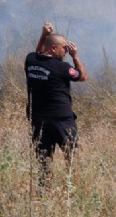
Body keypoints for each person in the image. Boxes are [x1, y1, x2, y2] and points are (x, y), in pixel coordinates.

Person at [25, 21, 87, 186]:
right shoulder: (62, 68)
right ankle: (71, 189)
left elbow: (39, 52)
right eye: (64, 48)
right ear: (54, 48)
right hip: (62, 120)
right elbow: (82, 76)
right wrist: (75, 56)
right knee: (72, 157)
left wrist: (44, 35)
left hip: (38, 120)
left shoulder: (30, 61)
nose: (66, 51)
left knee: (43, 160)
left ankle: (43, 191)